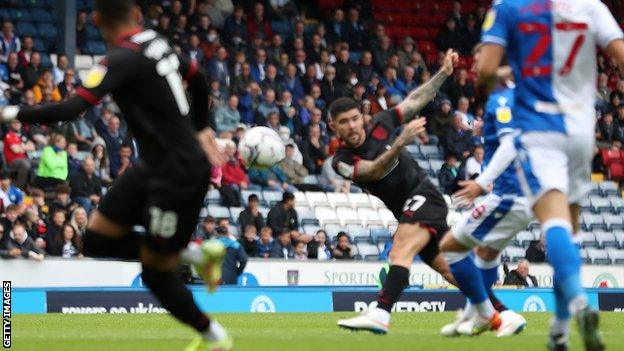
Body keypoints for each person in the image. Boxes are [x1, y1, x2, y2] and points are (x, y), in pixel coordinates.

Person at [0, 1, 232, 349]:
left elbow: (71, 108)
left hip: (178, 172)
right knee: (93, 241)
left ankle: (215, 337)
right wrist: (200, 127)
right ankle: (195, 254)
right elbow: (198, 81)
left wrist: (9, 111)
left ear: (96, 20)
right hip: (153, 166)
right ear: (137, 14)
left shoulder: (119, 59)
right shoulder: (157, 42)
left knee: (156, 272)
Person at [458, 2, 624, 349]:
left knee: (553, 223)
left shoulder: (510, 6)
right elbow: (619, 54)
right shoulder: (591, 5)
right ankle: (560, 329)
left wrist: (500, 74)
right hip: (581, 129)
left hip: (538, 127)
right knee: (571, 228)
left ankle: (578, 300)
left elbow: (485, 69)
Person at [331, 50, 463, 334]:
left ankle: (380, 313)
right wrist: (400, 144)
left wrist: (443, 73)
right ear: (335, 127)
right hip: (407, 207)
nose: (352, 126)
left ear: (361, 117)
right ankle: (497, 312)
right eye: (344, 122)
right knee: (448, 268)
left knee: (400, 247)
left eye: (354, 118)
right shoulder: (340, 161)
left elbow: (415, 100)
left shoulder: (381, 123)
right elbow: (373, 171)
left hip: (423, 194)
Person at [439, 64, 529, 337]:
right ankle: (472, 315)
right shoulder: (516, 98)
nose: (476, 65)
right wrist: (482, 131)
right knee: (485, 256)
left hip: (509, 195)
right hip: (524, 194)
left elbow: (510, 144)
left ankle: (497, 316)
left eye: (483, 58)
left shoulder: (502, 99)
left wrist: (480, 182)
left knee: (450, 246)